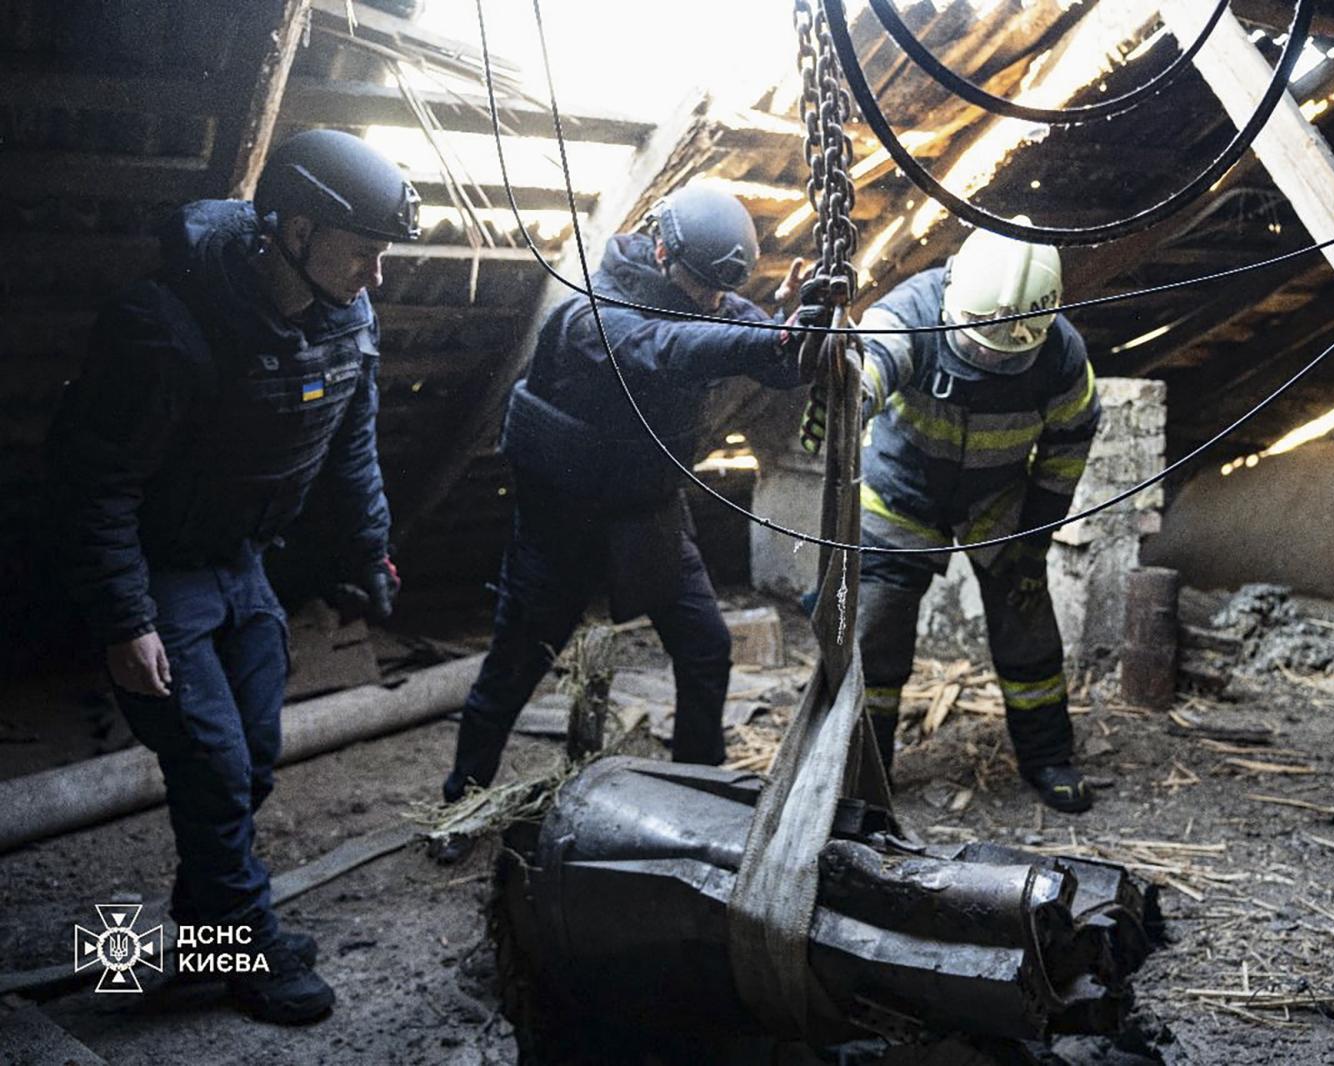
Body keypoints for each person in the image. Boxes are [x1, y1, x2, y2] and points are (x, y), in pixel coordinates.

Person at [54, 129, 419, 1023]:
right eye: (364, 253)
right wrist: (123, 620)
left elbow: (350, 448)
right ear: (294, 230)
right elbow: (92, 481)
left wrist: (367, 549)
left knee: (251, 761)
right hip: (159, 575)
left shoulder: (347, 316)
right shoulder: (164, 325)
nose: (378, 276)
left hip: (242, 562)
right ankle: (246, 948)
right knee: (213, 764)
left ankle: (207, 930)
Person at [434, 184, 811, 857]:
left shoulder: (713, 300)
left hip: (647, 512)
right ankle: (461, 803)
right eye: (701, 287)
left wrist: (798, 333)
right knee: (514, 670)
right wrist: (765, 338)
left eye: (722, 293)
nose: (711, 302)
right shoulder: (593, 313)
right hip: (561, 525)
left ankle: (697, 787)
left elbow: (760, 349)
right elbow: (667, 348)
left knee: (706, 649)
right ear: (662, 251)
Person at [805, 223, 1102, 812]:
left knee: (1027, 624)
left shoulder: (1062, 357)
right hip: (902, 496)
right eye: (977, 347)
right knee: (876, 638)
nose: (988, 359)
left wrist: (1036, 533)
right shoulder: (912, 310)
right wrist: (844, 394)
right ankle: (865, 771)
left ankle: (1049, 756)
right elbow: (872, 362)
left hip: (998, 503)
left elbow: (1072, 438)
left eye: (1004, 355)